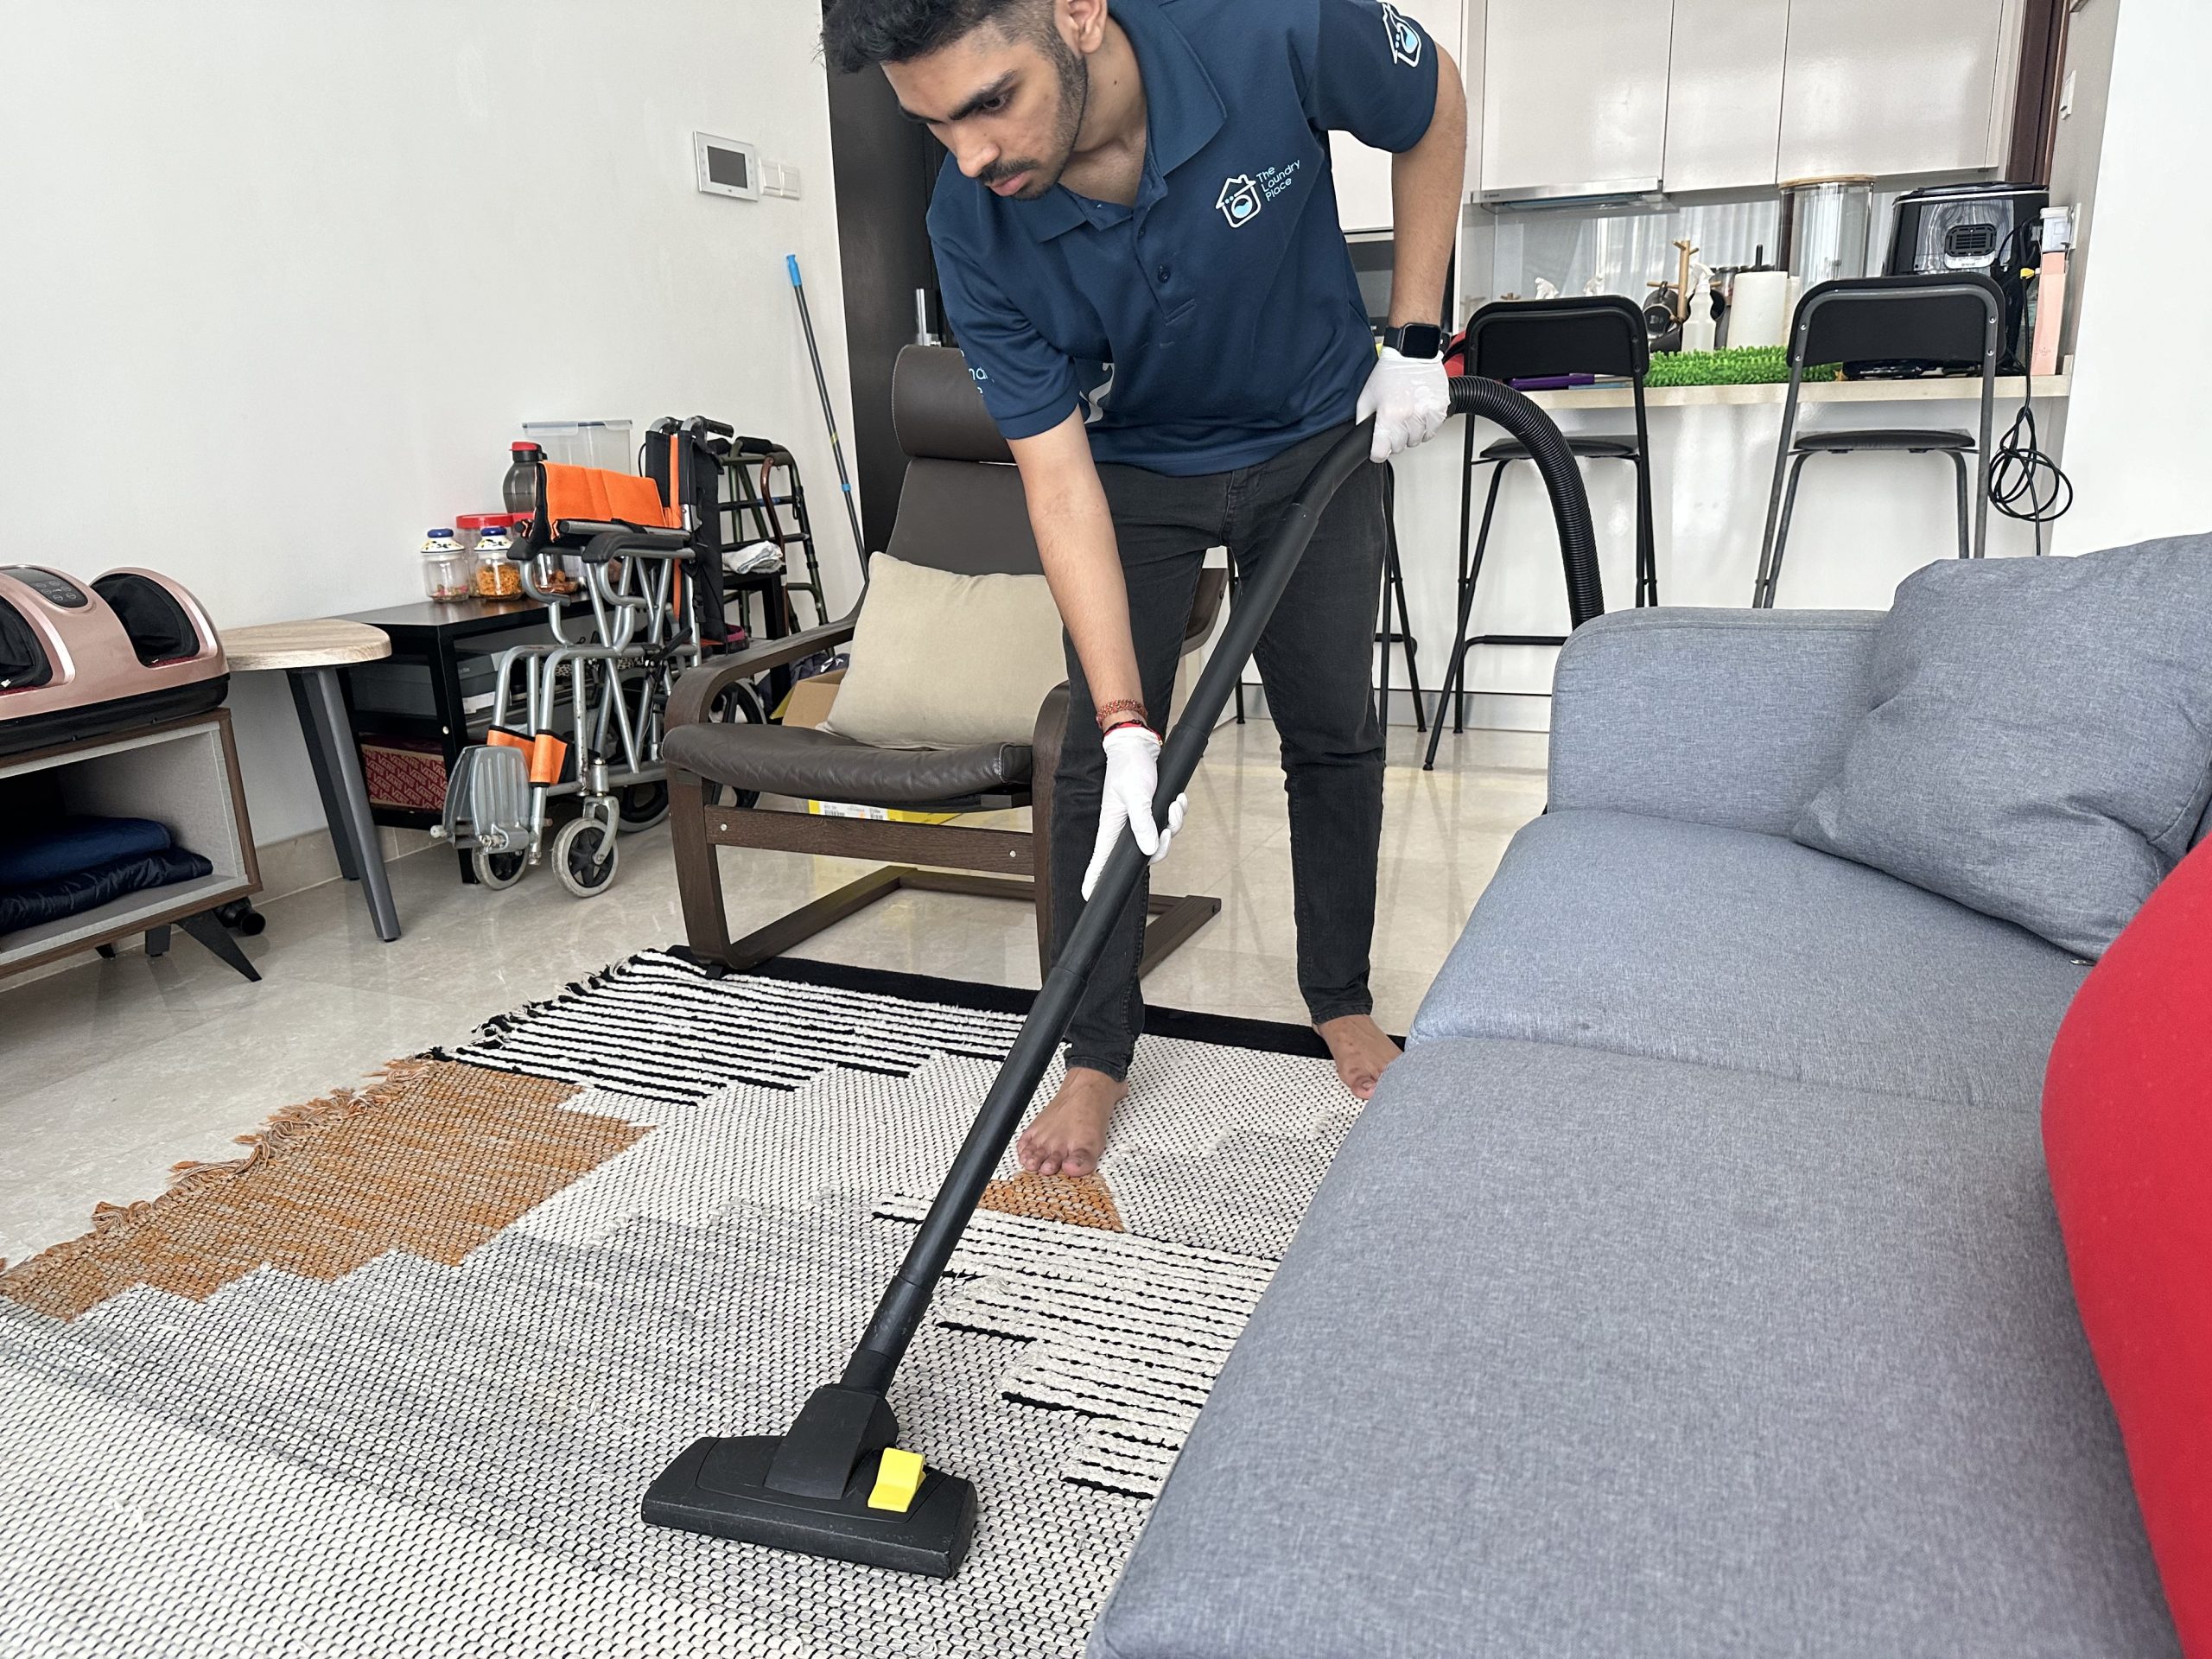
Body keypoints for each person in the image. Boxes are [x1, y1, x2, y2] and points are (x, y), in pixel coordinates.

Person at [822, 0, 1465, 1177]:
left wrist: (1418, 337)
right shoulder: (969, 220)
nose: (972, 156)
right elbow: (1057, 483)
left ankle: (1339, 995)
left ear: (1076, 12)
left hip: (1315, 436)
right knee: (1099, 760)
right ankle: (1097, 1049)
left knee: (1332, 730)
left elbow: (1434, 104)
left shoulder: (1267, 23)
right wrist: (1126, 719)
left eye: (990, 102)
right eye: (935, 126)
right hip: (1134, 470)